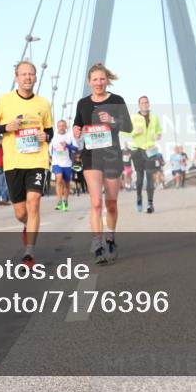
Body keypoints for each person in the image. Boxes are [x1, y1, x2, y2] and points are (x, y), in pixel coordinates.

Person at [0, 61, 53, 267]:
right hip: (13, 163)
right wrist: (6, 126)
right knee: (21, 212)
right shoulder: (4, 101)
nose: (27, 77)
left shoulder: (43, 104)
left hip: (37, 161)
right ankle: (27, 225)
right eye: (23, 74)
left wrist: (45, 135)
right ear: (16, 77)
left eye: (31, 74)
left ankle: (29, 253)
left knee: (34, 204)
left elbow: (50, 131)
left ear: (36, 77)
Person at [73, 63, 133, 264]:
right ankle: (97, 244)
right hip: (90, 156)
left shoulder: (117, 100)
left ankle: (110, 237)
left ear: (107, 80)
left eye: (102, 79)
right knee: (96, 202)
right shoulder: (83, 103)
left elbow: (129, 126)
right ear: (89, 82)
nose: (99, 83)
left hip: (111, 155)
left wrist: (112, 119)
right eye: (95, 79)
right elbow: (77, 123)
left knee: (112, 204)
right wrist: (76, 130)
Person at [129, 96, 162, 213]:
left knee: (150, 177)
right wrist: (134, 132)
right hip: (137, 150)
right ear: (139, 105)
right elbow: (125, 131)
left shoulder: (154, 117)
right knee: (140, 178)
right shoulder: (133, 118)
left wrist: (158, 135)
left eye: (146, 102)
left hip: (150, 150)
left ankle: (150, 203)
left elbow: (159, 130)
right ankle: (139, 197)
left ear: (149, 104)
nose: (145, 104)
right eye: (142, 102)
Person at [51, 119, 78, 211]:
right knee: (58, 179)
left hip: (67, 163)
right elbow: (51, 149)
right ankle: (59, 202)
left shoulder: (70, 136)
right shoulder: (54, 136)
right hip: (56, 162)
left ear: (66, 127)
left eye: (63, 126)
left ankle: (65, 201)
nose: (61, 127)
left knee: (66, 184)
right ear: (57, 127)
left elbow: (76, 148)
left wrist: (67, 145)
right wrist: (50, 159)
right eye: (60, 126)